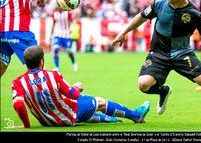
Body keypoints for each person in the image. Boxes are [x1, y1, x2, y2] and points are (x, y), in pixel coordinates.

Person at [11, 45, 150, 128]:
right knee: (98, 102)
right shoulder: (53, 75)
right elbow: (74, 95)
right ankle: (136, 116)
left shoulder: (18, 82)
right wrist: (77, 87)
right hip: (68, 116)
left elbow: (18, 105)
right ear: (42, 61)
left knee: (80, 105)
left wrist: (26, 125)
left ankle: (110, 119)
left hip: (47, 122)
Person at [0, 0, 45, 77]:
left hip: (2, 31)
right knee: (39, 69)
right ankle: (45, 96)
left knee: (1, 66)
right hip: (18, 30)